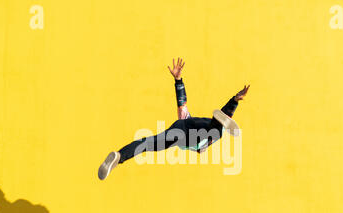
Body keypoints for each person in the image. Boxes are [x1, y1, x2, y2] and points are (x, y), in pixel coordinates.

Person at [98, 57, 250, 180]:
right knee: (213, 130)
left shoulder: (199, 133)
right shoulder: (211, 136)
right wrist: (234, 101)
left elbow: (182, 106)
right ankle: (229, 108)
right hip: (191, 132)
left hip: (180, 130)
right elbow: (215, 122)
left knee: (146, 143)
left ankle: (119, 156)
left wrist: (178, 81)